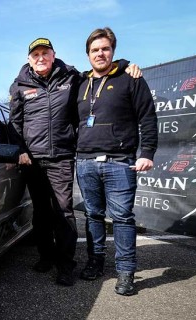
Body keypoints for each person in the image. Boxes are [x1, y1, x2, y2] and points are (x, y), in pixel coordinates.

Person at [9, 38, 142, 286]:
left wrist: (124, 65)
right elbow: (14, 123)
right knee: (40, 213)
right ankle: (46, 256)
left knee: (63, 212)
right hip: (32, 160)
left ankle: (65, 264)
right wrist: (20, 150)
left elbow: (100, 74)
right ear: (29, 59)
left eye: (45, 53)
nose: (40, 58)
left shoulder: (71, 77)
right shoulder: (19, 86)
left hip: (61, 157)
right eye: (35, 54)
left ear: (53, 54)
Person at [75, 27, 158, 296]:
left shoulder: (130, 79)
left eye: (105, 49)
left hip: (119, 162)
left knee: (122, 218)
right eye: (94, 50)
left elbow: (148, 117)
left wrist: (147, 153)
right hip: (86, 161)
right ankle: (95, 263)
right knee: (92, 216)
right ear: (87, 54)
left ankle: (125, 272)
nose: (100, 53)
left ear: (113, 51)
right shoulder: (79, 82)